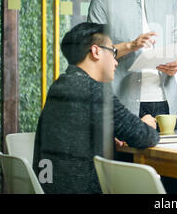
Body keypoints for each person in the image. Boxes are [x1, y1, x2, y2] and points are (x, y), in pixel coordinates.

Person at [87, 0, 177, 193]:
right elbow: (91, 59)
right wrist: (131, 45)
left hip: (166, 104)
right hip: (126, 107)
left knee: (174, 185)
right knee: (133, 185)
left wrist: (176, 60)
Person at [33, 22, 159, 194]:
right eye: (113, 52)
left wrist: (105, 134)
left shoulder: (61, 84)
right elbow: (144, 137)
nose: (115, 61)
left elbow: (72, 133)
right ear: (96, 51)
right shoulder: (93, 90)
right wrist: (147, 124)